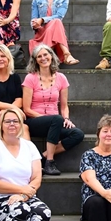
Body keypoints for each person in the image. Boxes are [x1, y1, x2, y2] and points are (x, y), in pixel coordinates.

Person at [22, 44, 85, 176]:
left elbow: (63, 106)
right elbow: (26, 109)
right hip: (35, 121)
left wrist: (66, 119)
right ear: (35, 60)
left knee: (77, 134)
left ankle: (42, 156)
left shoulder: (61, 78)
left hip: (55, 122)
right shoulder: (30, 78)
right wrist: (46, 119)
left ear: (51, 56)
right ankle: (50, 162)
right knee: (56, 119)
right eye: (39, 56)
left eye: (46, 54)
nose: (43, 58)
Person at [29, 0, 79, 65]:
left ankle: (64, 53)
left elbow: (59, 16)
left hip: (55, 30)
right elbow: (34, 19)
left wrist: (43, 19)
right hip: (41, 31)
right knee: (56, 22)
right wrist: (35, 24)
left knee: (56, 21)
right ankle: (66, 54)